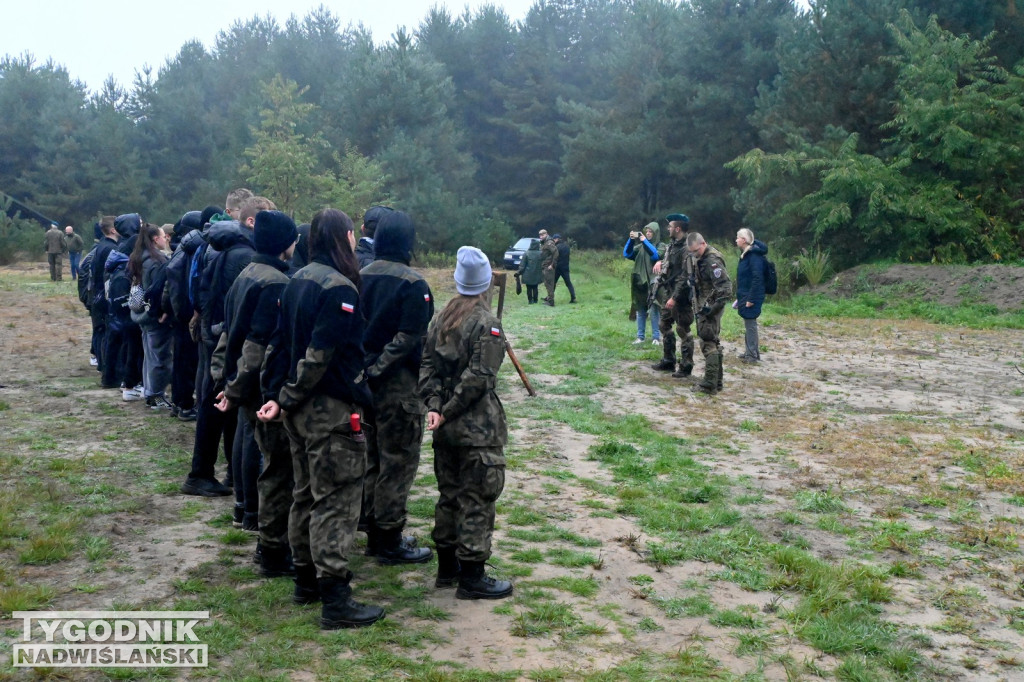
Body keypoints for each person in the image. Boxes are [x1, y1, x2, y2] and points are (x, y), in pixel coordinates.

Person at [259, 208, 383, 630]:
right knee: (336, 501)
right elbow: (319, 354)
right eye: (350, 235)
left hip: (298, 411)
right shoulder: (339, 289)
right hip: (328, 409)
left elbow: (279, 344)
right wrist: (290, 394)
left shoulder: (297, 279)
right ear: (345, 237)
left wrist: (279, 397)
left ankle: (305, 580)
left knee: (306, 494)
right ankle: (335, 596)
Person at [419, 246, 514, 601]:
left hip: (445, 426)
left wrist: (435, 406)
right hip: (476, 430)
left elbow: (425, 365)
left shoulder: (440, 318)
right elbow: (480, 377)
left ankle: (448, 568)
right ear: (487, 281)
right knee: (477, 498)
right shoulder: (486, 322)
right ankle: (471, 576)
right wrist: (450, 408)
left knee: (450, 494)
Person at [214, 210, 297, 576]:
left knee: (253, 450)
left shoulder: (246, 275)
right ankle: (271, 546)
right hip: (261, 390)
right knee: (277, 468)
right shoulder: (275, 283)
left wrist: (225, 380)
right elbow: (256, 345)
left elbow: (226, 336)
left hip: (243, 386)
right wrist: (236, 387)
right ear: (286, 244)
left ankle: (250, 517)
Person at [358, 210, 433, 566]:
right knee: (398, 462)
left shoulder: (358, 276)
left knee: (373, 458)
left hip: (363, 384)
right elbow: (409, 338)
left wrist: (365, 369)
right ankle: (388, 537)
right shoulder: (413, 284)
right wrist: (379, 368)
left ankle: (375, 529)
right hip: (397, 386)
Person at [181, 191, 256, 497]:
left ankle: (223, 473)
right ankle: (203, 474)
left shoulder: (217, 247)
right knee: (218, 407)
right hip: (223, 339)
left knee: (219, 407)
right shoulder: (240, 254)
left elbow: (199, 288)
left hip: (214, 334)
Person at [127, 224, 174, 410]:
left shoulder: (139, 257)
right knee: (160, 357)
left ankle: (150, 391)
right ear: (155, 239)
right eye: (163, 236)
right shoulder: (157, 261)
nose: (166, 239)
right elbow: (160, 290)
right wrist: (162, 312)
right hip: (154, 316)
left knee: (149, 354)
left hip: (142, 315)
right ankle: (156, 395)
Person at [685, 232, 733, 394]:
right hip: (703, 303)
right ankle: (716, 382)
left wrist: (712, 309)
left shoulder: (712, 260)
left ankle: (709, 384)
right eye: (691, 252)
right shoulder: (701, 258)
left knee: (707, 342)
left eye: (696, 251)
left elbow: (726, 289)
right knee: (712, 340)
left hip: (711, 306)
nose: (694, 255)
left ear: (703, 244)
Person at [651, 214, 696, 378]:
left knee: (683, 329)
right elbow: (667, 265)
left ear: (678, 229)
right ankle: (669, 360)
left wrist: (674, 297)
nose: (668, 229)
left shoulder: (686, 249)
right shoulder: (672, 246)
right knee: (663, 325)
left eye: (670, 226)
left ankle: (686, 365)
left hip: (681, 296)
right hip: (669, 291)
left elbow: (685, 277)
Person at [623, 222, 664, 345]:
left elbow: (655, 255)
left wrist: (645, 241)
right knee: (640, 310)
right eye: (646, 232)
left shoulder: (661, 245)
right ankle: (640, 337)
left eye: (650, 232)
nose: (648, 233)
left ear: (655, 233)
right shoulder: (640, 247)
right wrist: (630, 241)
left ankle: (656, 337)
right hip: (639, 282)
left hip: (653, 282)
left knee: (654, 310)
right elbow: (627, 254)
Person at [92, 217, 119, 385]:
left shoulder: (101, 246)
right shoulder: (110, 249)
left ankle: (104, 369)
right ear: (113, 230)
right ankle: (107, 373)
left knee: (103, 333)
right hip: (105, 296)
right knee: (108, 335)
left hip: (98, 295)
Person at [734, 228, 767, 364]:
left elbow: (757, 278)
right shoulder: (747, 255)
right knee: (748, 323)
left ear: (744, 240)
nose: (736, 240)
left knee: (751, 323)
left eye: (738, 237)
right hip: (745, 294)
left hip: (752, 295)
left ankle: (752, 355)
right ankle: (750, 352)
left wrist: (751, 298)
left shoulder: (754, 256)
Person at [552, 234, 577, 304]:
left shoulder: (556, 247)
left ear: (556, 239)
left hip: (558, 267)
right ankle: (573, 297)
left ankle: (550, 298)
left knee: (553, 283)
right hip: (565, 267)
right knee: (568, 283)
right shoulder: (567, 246)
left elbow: (554, 257)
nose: (553, 241)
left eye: (554, 239)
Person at [517, 239, 543, 304]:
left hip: (527, 274)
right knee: (535, 287)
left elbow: (522, 265)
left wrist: (519, 272)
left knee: (529, 288)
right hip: (537, 273)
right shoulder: (540, 253)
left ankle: (530, 300)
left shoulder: (526, 253)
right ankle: (535, 300)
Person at [538, 229, 558, 306]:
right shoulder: (544, 243)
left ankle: (551, 301)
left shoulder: (549, 243)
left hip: (549, 266)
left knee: (549, 283)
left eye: (543, 235)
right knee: (547, 283)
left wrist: (552, 264)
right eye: (540, 235)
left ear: (546, 234)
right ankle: (549, 299)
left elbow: (556, 253)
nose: (541, 236)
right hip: (545, 265)